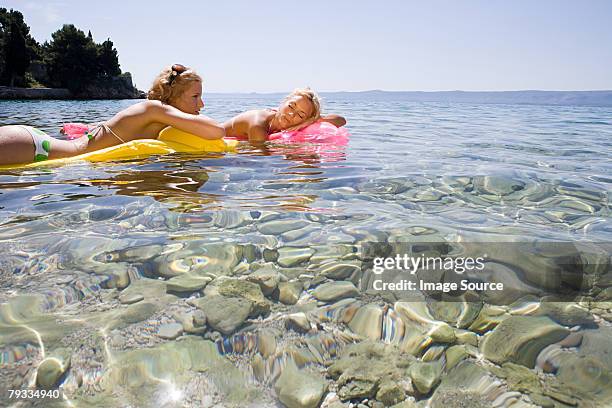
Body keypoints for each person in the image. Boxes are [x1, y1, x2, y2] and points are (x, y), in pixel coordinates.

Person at [0, 64, 225, 166]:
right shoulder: (155, 109)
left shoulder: (148, 114)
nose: (202, 104)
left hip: (35, 143)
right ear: (173, 97)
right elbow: (217, 131)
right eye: (195, 97)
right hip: (33, 148)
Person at [224, 88, 346, 143]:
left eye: (300, 114)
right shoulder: (257, 122)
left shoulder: (300, 121)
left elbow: (341, 120)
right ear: (284, 102)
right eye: (291, 106)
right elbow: (261, 158)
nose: (292, 114)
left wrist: (311, 121)